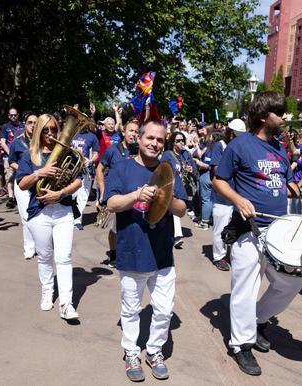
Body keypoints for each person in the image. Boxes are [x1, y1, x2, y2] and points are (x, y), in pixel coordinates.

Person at [213, 91, 302, 376]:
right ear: (262, 116)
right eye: (280, 113)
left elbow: (286, 182)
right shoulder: (240, 145)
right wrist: (238, 200)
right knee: (245, 288)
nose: (285, 117)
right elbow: (219, 181)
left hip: (277, 229)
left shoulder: (280, 148)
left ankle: (258, 321)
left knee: (290, 284)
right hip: (248, 230)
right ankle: (241, 344)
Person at [103, 120, 187, 382]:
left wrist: (165, 197)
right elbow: (111, 203)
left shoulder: (168, 170)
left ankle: (154, 351)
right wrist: (136, 195)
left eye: (160, 140)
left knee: (163, 310)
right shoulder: (122, 167)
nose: (154, 144)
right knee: (131, 309)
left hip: (163, 254)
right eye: (150, 138)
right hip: (132, 252)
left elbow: (182, 209)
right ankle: (131, 352)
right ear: (138, 139)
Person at [16, 114, 83, 321]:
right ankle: (47, 292)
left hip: (62, 210)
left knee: (64, 258)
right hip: (40, 212)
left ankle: (66, 303)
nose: (51, 134)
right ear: (38, 132)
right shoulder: (30, 156)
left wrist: (60, 193)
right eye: (46, 130)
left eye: (54, 129)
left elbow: (78, 180)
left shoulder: (68, 154)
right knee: (45, 257)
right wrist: (40, 173)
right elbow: (21, 184)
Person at [96, 120, 140, 268]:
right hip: (116, 196)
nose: (133, 134)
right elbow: (99, 169)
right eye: (131, 131)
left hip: (136, 196)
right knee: (115, 229)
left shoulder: (141, 150)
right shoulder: (113, 150)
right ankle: (113, 253)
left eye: (136, 131)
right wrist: (103, 191)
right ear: (123, 132)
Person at [209, 119, 245, 271]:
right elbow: (217, 169)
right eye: (236, 135)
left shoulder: (240, 147)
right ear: (230, 133)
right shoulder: (220, 146)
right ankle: (219, 256)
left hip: (237, 196)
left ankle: (232, 255)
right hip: (222, 197)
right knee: (220, 227)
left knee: (235, 228)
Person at [161, 131, 197, 249]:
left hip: (183, 188)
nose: (181, 143)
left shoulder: (186, 154)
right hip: (170, 187)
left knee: (171, 212)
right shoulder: (167, 155)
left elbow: (195, 170)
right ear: (173, 142)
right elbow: (161, 170)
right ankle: (177, 236)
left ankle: (169, 233)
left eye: (183, 140)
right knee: (174, 210)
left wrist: (192, 170)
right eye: (178, 141)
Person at [10, 113, 37, 259]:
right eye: (30, 122)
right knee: (26, 216)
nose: (33, 125)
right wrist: (22, 169)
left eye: (35, 122)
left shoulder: (43, 141)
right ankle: (29, 247)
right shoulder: (17, 142)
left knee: (38, 215)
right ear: (25, 124)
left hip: (39, 182)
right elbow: (11, 161)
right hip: (22, 182)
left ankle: (41, 244)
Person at [69, 121, 100, 230]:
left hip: (85, 170)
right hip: (70, 169)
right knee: (71, 194)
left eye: (83, 121)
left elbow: (96, 153)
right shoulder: (71, 133)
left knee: (83, 196)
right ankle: (68, 217)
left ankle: (77, 219)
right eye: (79, 121)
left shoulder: (92, 137)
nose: (81, 123)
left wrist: (91, 161)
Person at [0, 107, 24, 208]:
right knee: (9, 177)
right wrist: (11, 154)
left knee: (22, 175)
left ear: (18, 115)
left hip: (22, 155)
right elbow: (3, 142)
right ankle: (10, 197)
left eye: (15, 115)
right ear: (8, 116)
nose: (13, 117)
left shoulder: (23, 126)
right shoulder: (5, 127)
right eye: (11, 115)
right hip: (9, 155)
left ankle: (21, 196)